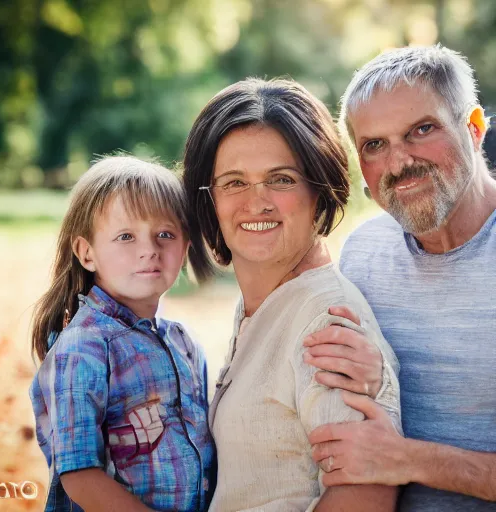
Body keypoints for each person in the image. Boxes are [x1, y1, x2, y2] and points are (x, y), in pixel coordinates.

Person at [183, 77, 401, 511]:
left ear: (319, 190)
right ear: (209, 199)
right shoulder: (266, 304)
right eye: (233, 182)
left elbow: (366, 496)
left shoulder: (325, 322)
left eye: (280, 179)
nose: (257, 202)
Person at [306, 45, 496, 510]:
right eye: (375, 145)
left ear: (474, 128)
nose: (399, 163)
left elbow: (389, 457)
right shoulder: (364, 254)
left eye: (422, 130)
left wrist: (410, 460)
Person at [29, 156, 216, 512]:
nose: (149, 249)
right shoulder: (84, 347)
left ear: (186, 247)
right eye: (126, 236)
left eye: (165, 234)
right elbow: (80, 475)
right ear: (87, 253)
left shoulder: (184, 344)